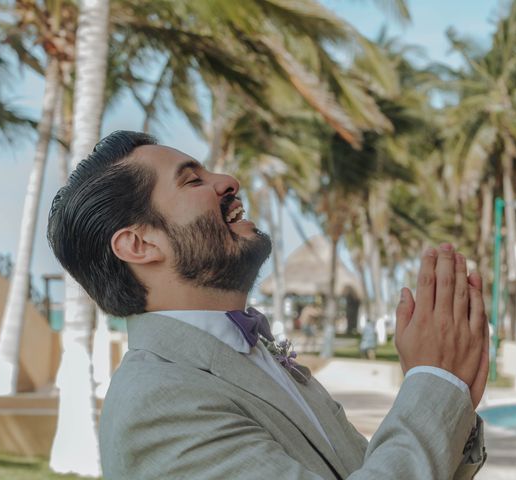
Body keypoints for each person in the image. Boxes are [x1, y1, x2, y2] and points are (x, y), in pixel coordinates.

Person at [47, 131, 488, 479]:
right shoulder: (156, 404)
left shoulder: (257, 352)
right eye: (193, 180)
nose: (228, 182)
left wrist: (453, 405)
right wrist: (434, 385)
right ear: (140, 244)